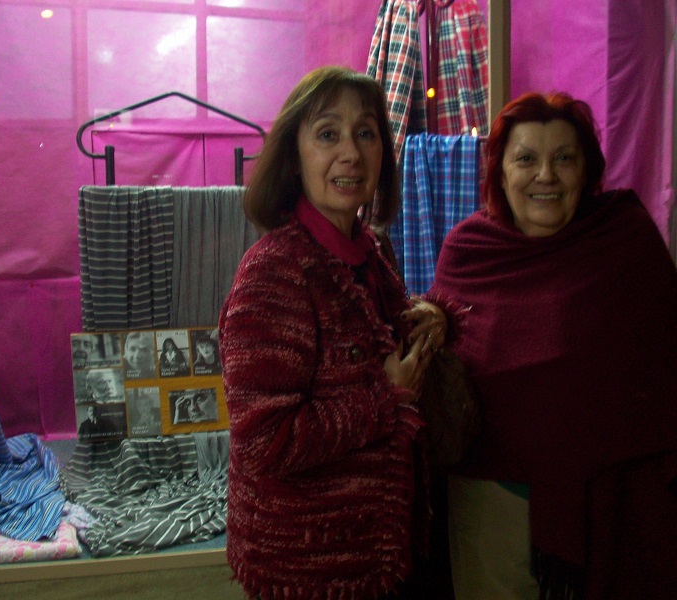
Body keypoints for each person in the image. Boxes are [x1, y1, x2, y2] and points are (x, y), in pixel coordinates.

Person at [427, 92, 677, 599]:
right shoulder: (468, 252)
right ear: (500, 173)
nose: (546, 175)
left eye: (564, 158)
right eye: (526, 159)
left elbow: (664, 369)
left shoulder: (625, 241)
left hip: (614, 503)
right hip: (492, 501)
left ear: (587, 171)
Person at [218, 66, 444, 600]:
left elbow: (367, 341)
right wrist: (385, 398)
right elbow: (265, 443)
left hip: (383, 548)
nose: (351, 153)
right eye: (327, 134)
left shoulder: (370, 248)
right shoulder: (275, 272)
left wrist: (434, 316)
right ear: (294, 157)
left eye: (366, 133)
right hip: (311, 570)